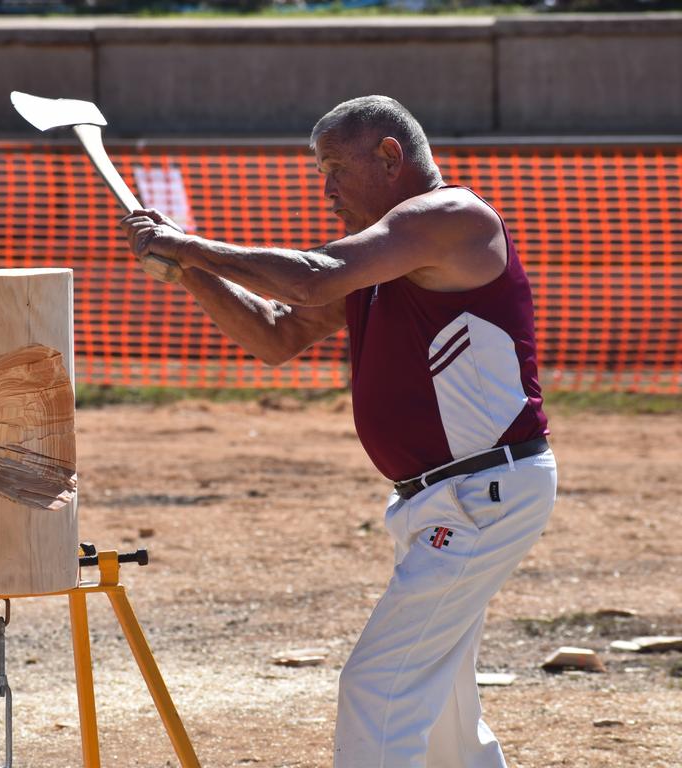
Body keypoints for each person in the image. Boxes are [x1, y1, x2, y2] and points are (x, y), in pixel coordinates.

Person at [120, 95, 556, 768]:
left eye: (333, 167)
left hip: (481, 491)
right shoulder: (389, 255)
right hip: (450, 497)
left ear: (389, 156)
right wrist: (193, 272)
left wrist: (189, 243)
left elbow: (314, 280)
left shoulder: (449, 217)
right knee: (439, 703)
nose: (325, 189)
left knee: (379, 687)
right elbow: (277, 333)